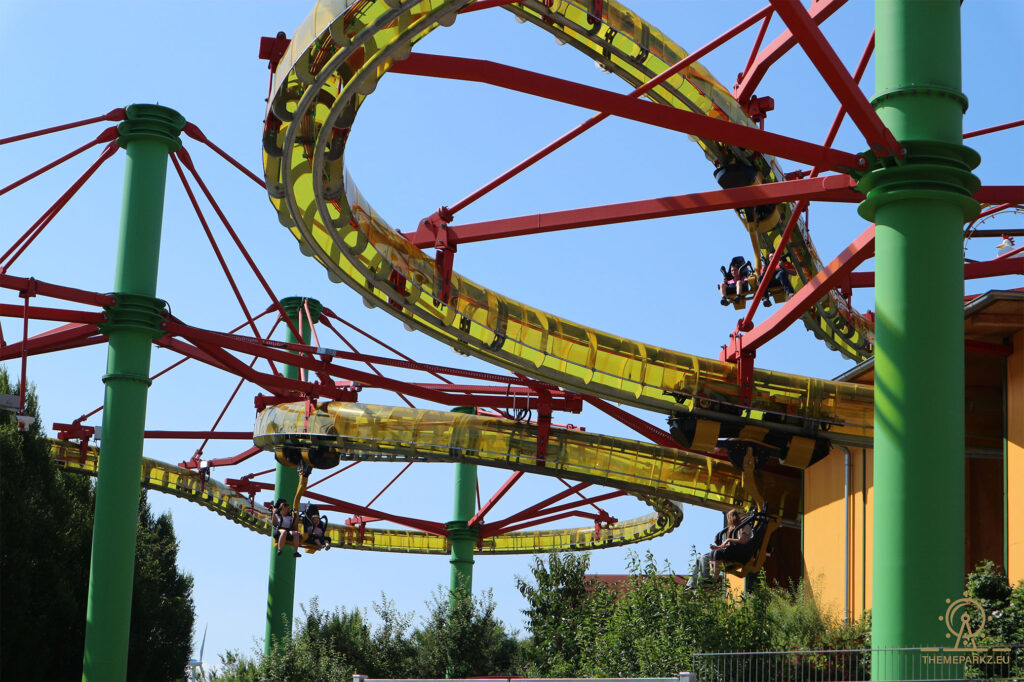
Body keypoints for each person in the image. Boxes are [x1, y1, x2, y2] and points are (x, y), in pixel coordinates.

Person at [709, 508, 753, 581]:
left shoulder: (745, 526)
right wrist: (717, 547)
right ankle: (712, 575)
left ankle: (715, 578)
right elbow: (730, 544)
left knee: (718, 553)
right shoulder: (736, 529)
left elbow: (743, 541)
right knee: (712, 553)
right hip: (737, 549)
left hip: (743, 551)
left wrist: (728, 539)